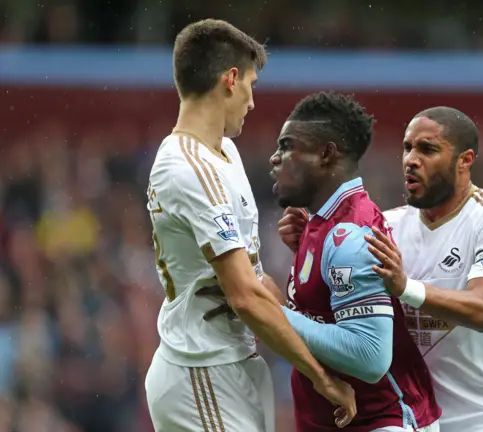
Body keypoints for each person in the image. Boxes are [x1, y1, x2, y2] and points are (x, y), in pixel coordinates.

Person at [144, 19, 356, 432]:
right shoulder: (188, 168)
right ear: (230, 79)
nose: (252, 101)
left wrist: (315, 335)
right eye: (252, 85)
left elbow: (255, 282)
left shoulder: (224, 152)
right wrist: (320, 375)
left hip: (231, 363)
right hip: (202, 370)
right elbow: (243, 296)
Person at [279, 107, 483, 432]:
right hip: (419, 420)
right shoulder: (384, 225)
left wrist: (405, 287)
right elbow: (341, 316)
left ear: (465, 160)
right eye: (407, 147)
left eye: (427, 149)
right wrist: (313, 251)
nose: (411, 159)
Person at [269, 91, 441, 432]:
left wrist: (272, 311)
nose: (275, 158)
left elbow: (370, 356)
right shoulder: (319, 224)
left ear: (325, 154)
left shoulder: (351, 235)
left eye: (287, 146)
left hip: (380, 421)